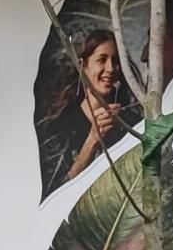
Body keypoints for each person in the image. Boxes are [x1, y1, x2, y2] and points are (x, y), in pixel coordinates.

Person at [36, 29, 139, 195]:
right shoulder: (59, 128)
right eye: (101, 60)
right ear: (83, 67)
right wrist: (92, 140)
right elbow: (55, 194)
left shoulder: (134, 125)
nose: (110, 68)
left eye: (115, 61)